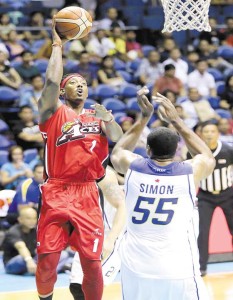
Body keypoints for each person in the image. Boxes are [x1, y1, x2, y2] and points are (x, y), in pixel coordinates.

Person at [35, 17, 123, 300]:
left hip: (87, 191)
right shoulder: (52, 113)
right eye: (74, 83)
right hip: (57, 189)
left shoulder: (96, 115)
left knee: (92, 262)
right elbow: (50, 80)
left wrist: (108, 119)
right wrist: (58, 45)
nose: (81, 86)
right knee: (47, 259)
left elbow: (117, 137)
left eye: (84, 83)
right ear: (63, 91)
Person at [110, 86, 215, 300]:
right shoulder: (189, 172)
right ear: (178, 148)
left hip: (135, 266)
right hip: (178, 267)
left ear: (147, 149)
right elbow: (206, 155)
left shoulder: (133, 167)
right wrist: (176, 120)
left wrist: (144, 118)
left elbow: (118, 151)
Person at [69, 165, 126, 300]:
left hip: (109, 235)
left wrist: (111, 240)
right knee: (76, 287)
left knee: (91, 287)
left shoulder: (104, 174)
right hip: (88, 235)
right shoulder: (72, 173)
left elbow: (123, 206)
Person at [197, 121, 233, 276]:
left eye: (213, 131)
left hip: (228, 194)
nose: (210, 134)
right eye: (206, 131)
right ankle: (201, 267)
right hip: (205, 196)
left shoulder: (228, 150)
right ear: (201, 134)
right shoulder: (196, 152)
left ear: (218, 133)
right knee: (203, 232)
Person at [2, 207, 73, 275]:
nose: (32, 221)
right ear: (20, 219)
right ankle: (47, 270)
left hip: (34, 260)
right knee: (22, 258)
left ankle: (45, 272)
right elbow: (21, 247)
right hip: (15, 262)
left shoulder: (37, 230)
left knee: (63, 254)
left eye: (34, 218)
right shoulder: (13, 231)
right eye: (28, 218)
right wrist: (29, 260)